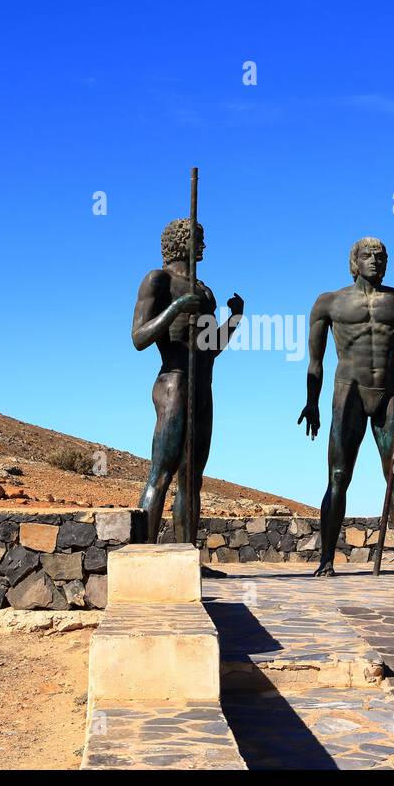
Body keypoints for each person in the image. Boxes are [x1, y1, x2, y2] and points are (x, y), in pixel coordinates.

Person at [298, 236, 394, 577]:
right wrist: (311, 403)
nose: (374, 260)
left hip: (390, 396)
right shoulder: (328, 303)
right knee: (338, 477)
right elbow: (315, 363)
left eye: (380, 255)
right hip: (349, 394)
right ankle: (326, 560)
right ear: (353, 261)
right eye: (367, 255)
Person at [132, 217, 243, 549]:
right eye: (198, 239)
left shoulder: (205, 291)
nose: (204, 246)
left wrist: (234, 319)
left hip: (203, 387)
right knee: (162, 472)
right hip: (174, 384)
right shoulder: (158, 280)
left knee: (192, 479)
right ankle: (144, 554)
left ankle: (186, 557)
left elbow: (212, 347)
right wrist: (177, 307)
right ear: (181, 243)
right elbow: (138, 337)